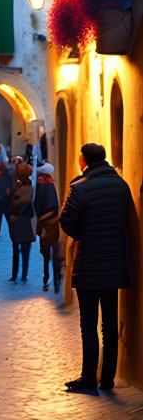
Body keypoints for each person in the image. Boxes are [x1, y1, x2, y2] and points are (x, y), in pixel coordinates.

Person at [59, 143, 137, 392]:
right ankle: (108, 379)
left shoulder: (79, 188)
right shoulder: (122, 185)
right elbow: (127, 220)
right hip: (114, 264)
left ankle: (89, 377)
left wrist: (83, 233)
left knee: (88, 322)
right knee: (110, 324)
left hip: (89, 264)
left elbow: (66, 222)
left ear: (83, 160)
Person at [34, 161, 63, 293]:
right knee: (48, 253)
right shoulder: (46, 184)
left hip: (48, 225)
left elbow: (51, 206)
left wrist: (40, 219)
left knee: (50, 252)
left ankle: (53, 279)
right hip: (46, 224)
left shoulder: (46, 186)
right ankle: (50, 280)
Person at [6, 166, 35, 281]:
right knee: (25, 251)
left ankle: (15, 274)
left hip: (18, 220)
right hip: (25, 220)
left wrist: (12, 213)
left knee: (16, 249)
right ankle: (23, 275)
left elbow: (10, 202)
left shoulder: (18, 187)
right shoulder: (29, 186)